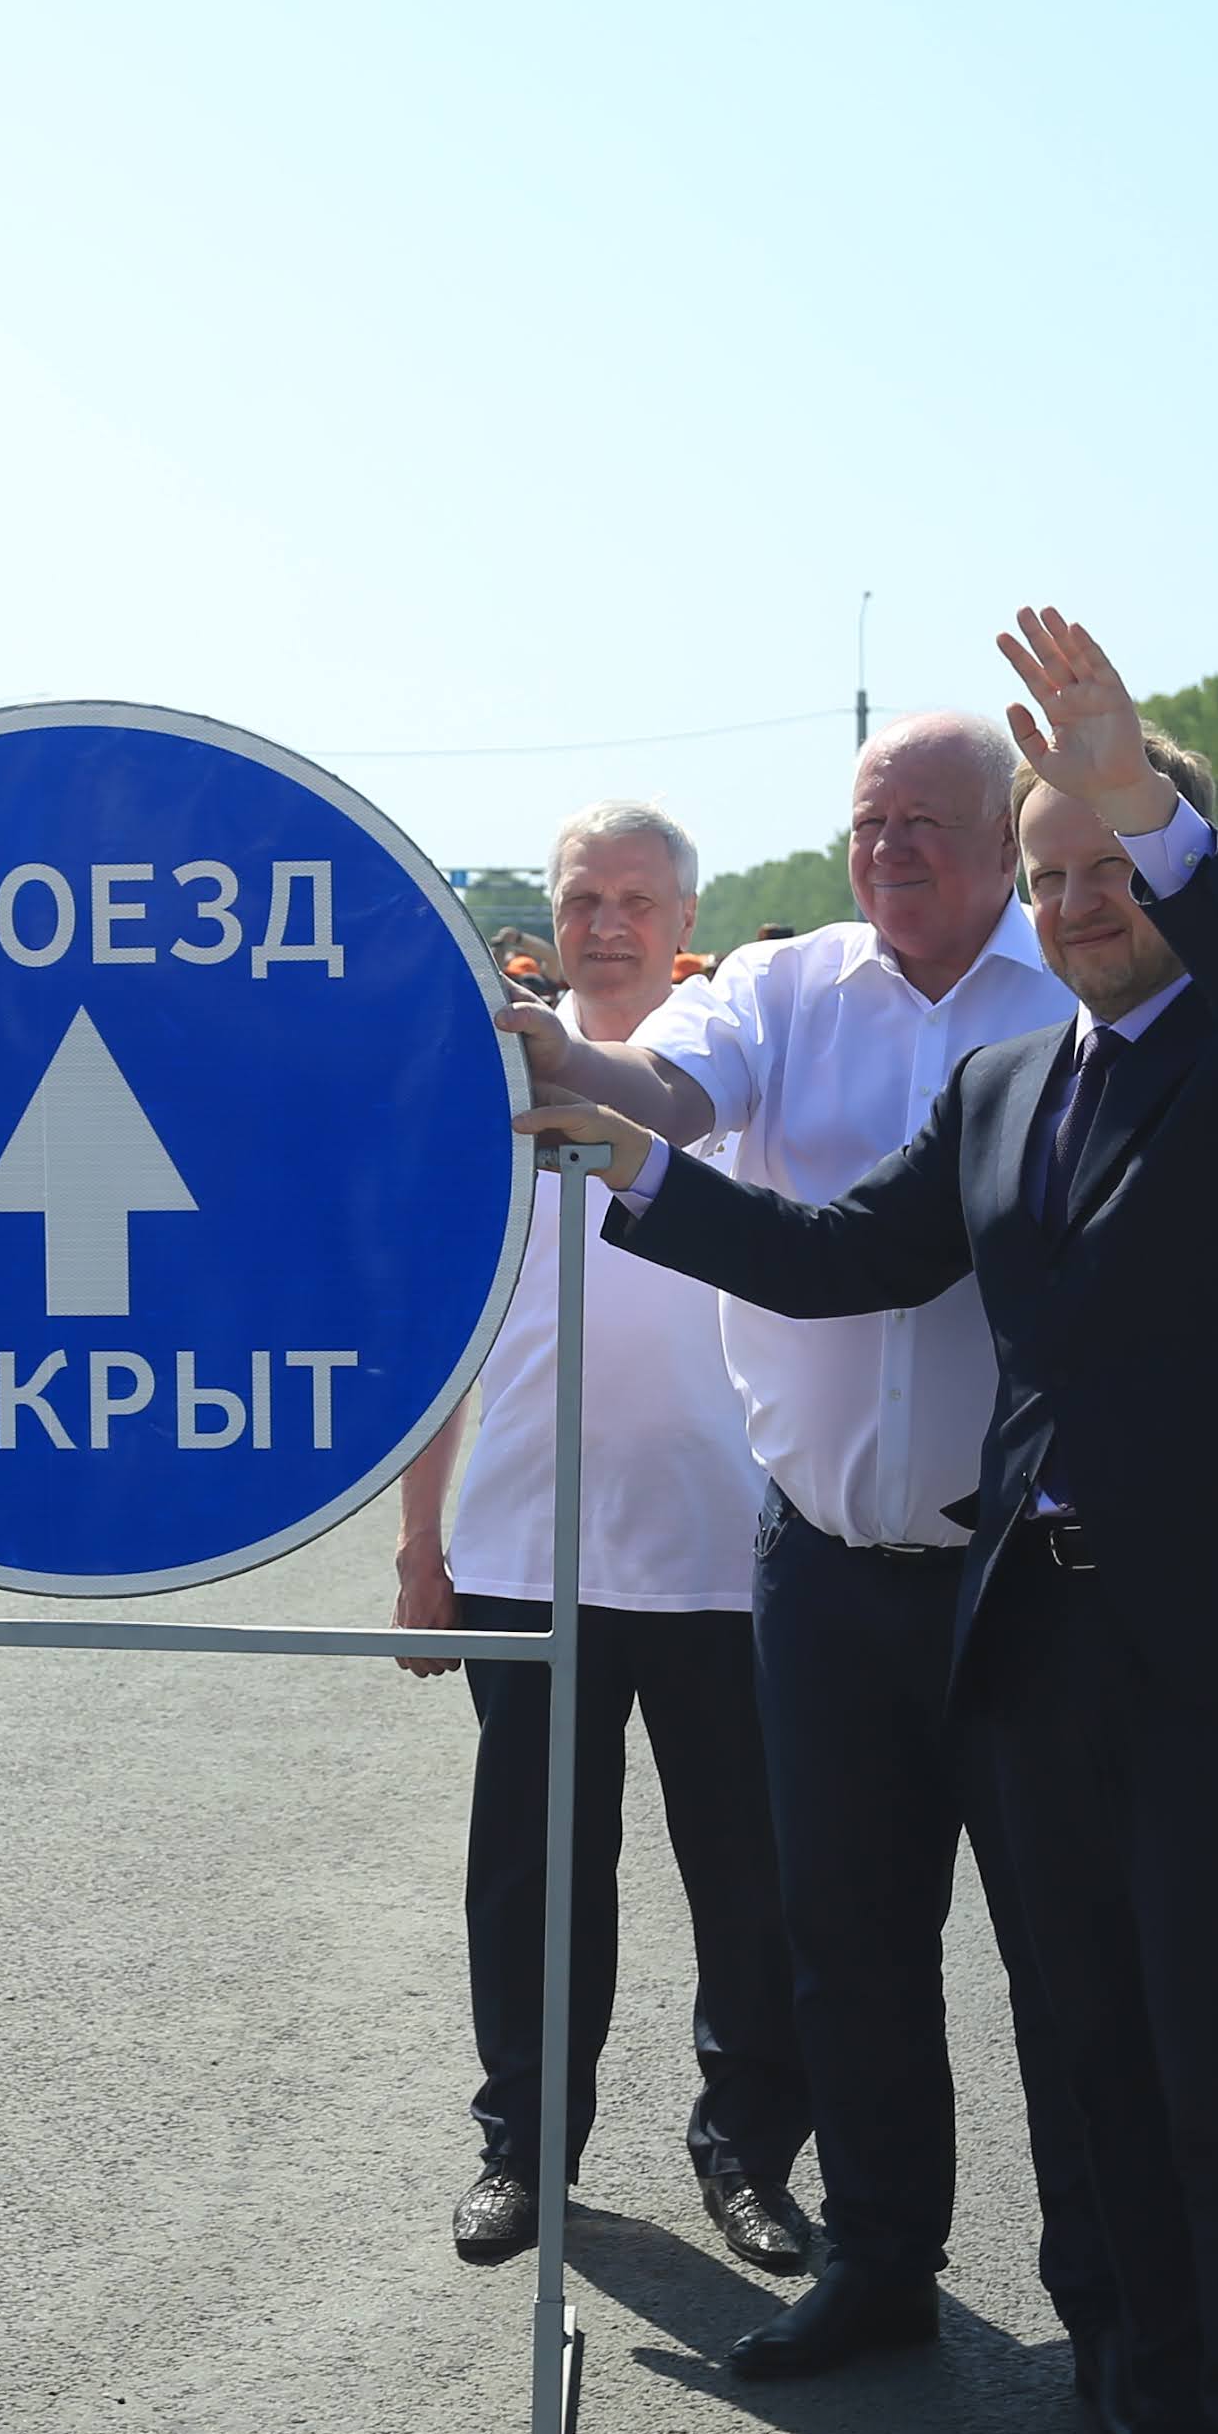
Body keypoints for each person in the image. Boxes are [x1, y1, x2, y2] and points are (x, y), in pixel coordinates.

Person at [525, 607, 1218, 2434]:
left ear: (1175, 868)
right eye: (1045, 875)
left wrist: (1144, 797)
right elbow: (825, 1259)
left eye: (1105, 865)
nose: (1069, 904)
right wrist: (618, 1159)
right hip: (1041, 1648)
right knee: (1099, 2071)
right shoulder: (1001, 1087)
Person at [505, 711, 1099, 2392]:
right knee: (845, 1944)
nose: (887, 849)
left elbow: (856, 1252)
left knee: (1066, 1963)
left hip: (1025, 1579)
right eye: (866, 821)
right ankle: (879, 2260)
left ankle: (1107, 2314)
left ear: (999, 836)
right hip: (823, 1563)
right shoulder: (779, 989)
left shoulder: (1067, 999)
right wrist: (566, 1067)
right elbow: (666, 1091)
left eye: (923, 821)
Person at [393, 802, 806, 2282]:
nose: (607, 923)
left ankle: (747, 2153)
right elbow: (438, 1342)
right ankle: (524, 2144)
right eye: (582, 898)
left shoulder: (736, 1081)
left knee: (747, 1882)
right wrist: (420, 1547)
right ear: (552, 916)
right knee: (531, 1877)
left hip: (719, 1554)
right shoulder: (486, 1089)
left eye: (636, 898)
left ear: (684, 917)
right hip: (525, 1551)